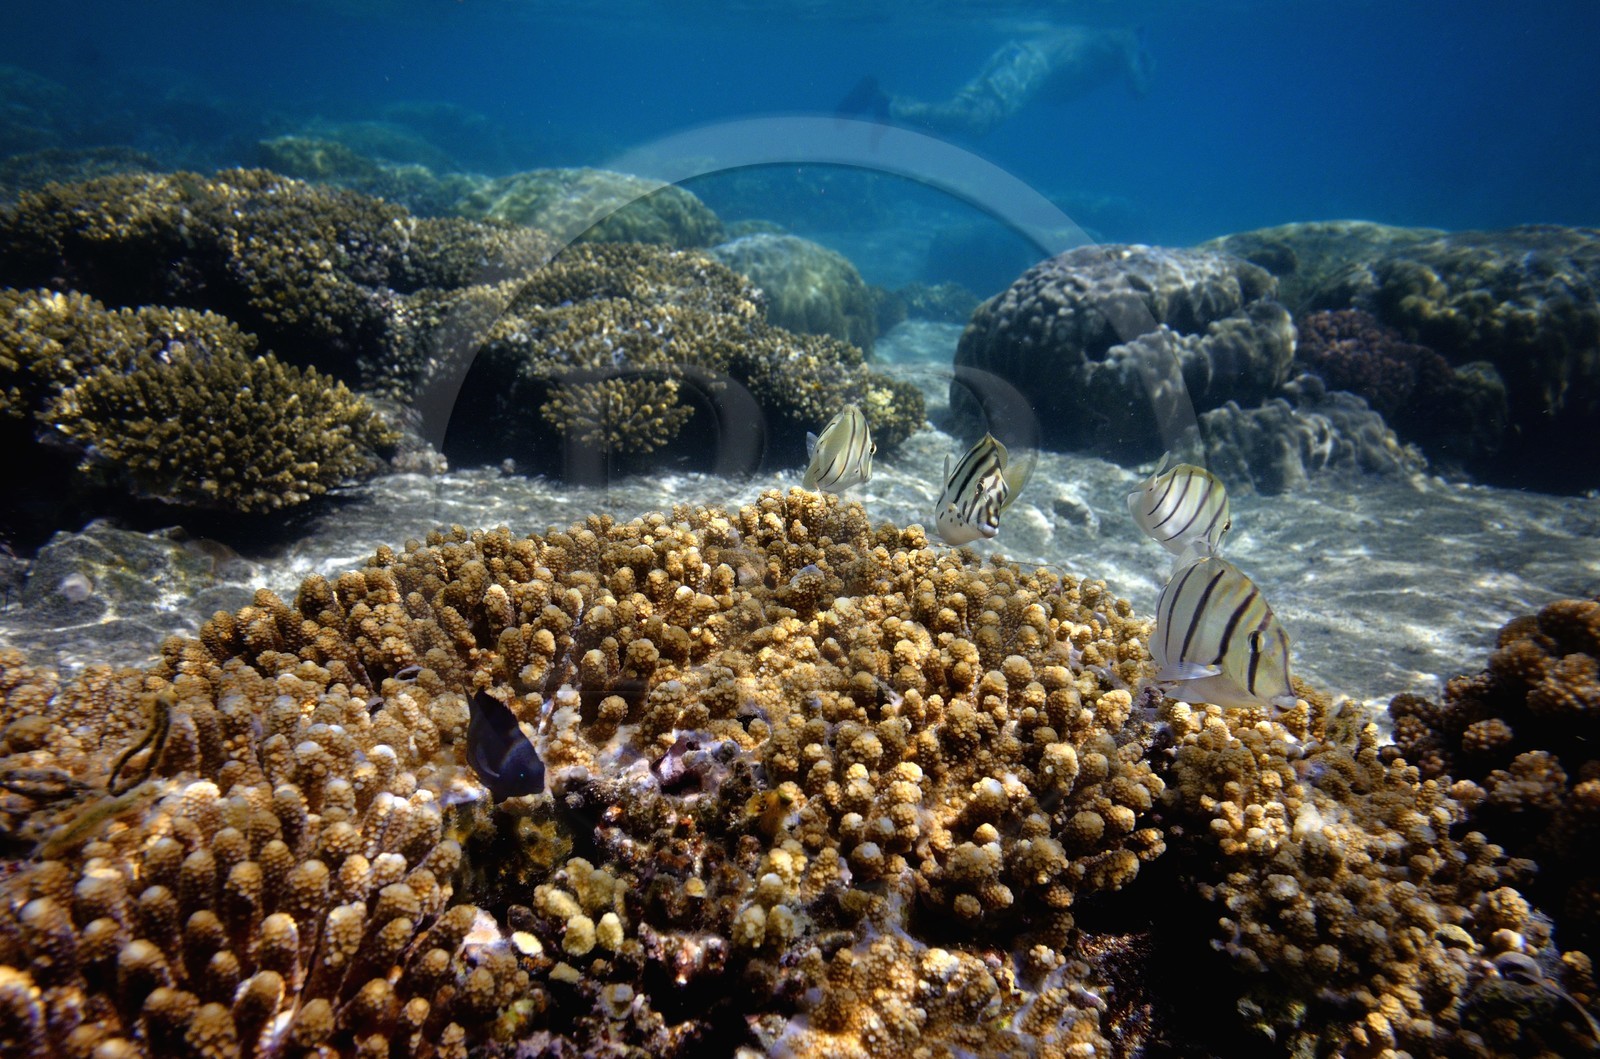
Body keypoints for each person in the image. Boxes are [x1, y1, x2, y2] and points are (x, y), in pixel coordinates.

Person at [838, 25, 1153, 139]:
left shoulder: (1100, 33)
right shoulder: (1127, 38)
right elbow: (1139, 88)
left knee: (961, 113)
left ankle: (884, 100)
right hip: (1032, 65)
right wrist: (1144, 62)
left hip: (1018, 55)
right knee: (977, 121)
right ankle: (890, 105)